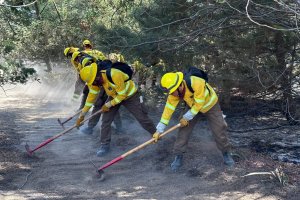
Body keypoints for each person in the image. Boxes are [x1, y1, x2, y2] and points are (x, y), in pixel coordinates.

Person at [152, 70, 235, 171]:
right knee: (183, 130)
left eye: (173, 91)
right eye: (170, 92)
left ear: (180, 86)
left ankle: (226, 153)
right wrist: (159, 130)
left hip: (210, 105)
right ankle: (178, 155)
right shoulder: (173, 93)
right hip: (192, 107)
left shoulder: (196, 82)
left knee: (219, 129)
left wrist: (186, 117)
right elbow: (167, 111)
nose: (172, 94)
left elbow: (200, 103)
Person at [77, 60, 156, 157]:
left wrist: (108, 105)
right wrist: (82, 116)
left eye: (95, 81)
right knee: (105, 121)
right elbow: (90, 99)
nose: (96, 84)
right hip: (114, 96)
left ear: (98, 74)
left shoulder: (114, 74)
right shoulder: (95, 83)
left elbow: (122, 95)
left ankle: (156, 134)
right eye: (93, 83)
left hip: (130, 95)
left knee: (142, 118)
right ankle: (104, 145)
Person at [70, 52, 123, 135]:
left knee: (108, 105)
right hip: (101, 86)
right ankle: (91, 127)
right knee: (99, 104)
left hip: (108, 86)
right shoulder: (88, 63)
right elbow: (91, 97)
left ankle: (119, 127)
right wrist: (82, 116)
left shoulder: (95, 68)